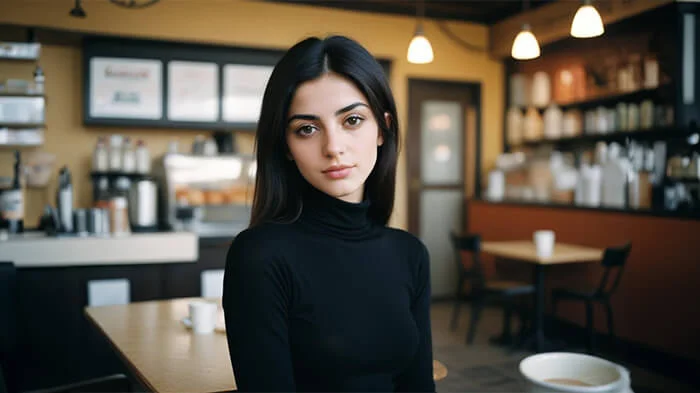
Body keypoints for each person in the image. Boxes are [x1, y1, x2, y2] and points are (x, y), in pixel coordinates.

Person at [222, 35, 435, 392]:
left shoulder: (410, 254)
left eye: (352, 120)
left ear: (382, 128)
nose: (333, 147)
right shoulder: (259, 257)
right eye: (307, 129)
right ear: (286, 147)